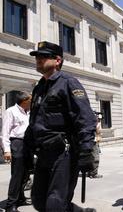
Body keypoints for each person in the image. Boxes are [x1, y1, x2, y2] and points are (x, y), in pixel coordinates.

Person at [24, 41, 97, 212]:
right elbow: (34, 120)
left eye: (43, 56)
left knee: (55, 203)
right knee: (38, 200)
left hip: (63, 152)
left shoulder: (69, 83)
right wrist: (26, 147)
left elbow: (85, 117)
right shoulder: (39, 88)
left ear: (57, 60)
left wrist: (87, 151)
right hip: (43, 152)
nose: (38, 60)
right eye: (37, 57)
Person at [2, 91, 32, 212]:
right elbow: (5, 132)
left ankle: (20, 197)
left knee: (26, 174)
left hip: (28, 144)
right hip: (17, 143)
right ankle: (11, 204)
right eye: (30, 100)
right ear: (24, 101)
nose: (32, 102)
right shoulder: (11, 111)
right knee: (17, 175)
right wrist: (7, 150)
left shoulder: (29, 112)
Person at [88, 112, 103, 179]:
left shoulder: (89, 122)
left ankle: (90, 172)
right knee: (95, 157)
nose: (99, 120)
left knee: (90, 157)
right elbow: (98, 132)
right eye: (98, 118)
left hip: (91, 141)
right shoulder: (95, 124)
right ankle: (94, 173)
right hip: (93, 142)